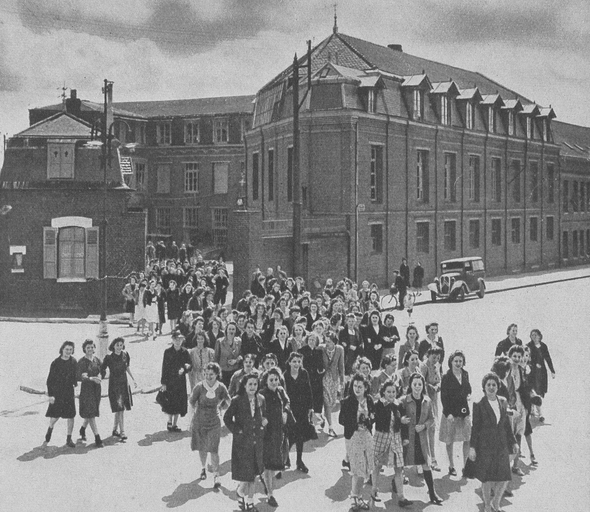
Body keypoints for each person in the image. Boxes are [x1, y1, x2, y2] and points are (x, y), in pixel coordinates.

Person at [469, 372, 518, 512]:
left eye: (494, 385)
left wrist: (513, 442)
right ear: (484, 387)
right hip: (485, 446)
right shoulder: (478, 404)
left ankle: (495, 503)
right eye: (488, 385)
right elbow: (475, 428)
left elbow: (507, 425)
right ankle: (486, 506)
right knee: (487, 478)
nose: (491, 387)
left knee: (504, 476)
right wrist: (472, 447)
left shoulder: (503, 401)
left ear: (498, 387)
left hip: (502, 444)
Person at [223, 373, 268, 512]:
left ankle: (245, 496)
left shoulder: (261, 399)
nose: (253, 387)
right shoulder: (237, 400)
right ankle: (248, 502)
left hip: (257, 442)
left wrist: (263, 424)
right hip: (243, 443)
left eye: (255, 384)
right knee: (248, 474)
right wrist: (238, 431)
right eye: (250, 384)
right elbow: (227, 418)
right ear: (244, 385)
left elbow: (263, 416)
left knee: (253, 474)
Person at [402, 373, 443, 505]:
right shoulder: (404, 400)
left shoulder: (427, 401)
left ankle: (432, 493)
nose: (417, 387)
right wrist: (402, 420)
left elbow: (432, 418)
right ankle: (395, 486)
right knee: (401, 464)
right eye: (415, 384)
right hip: (407, 438)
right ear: (410, 385)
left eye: (420, 384)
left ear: (423, 385)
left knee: (426, 464)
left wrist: (424, 425)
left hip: (421, 438)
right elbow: (397, 416)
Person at [189, 362, 230, 488]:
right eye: (206, 374)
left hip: (214, 422)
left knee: (214, 449)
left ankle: (216, 475)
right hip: (200, 421)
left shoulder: (221, 387)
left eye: (211, 374)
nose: (208, 376)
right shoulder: (199, 387)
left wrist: (221, 408)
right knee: (202, 447)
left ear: (217, 374)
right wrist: (191, 420)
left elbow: (228, 401)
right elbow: (191, 403)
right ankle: (203, 468)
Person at [339, 373, 376, 511]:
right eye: (355, 386)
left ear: (366, 387)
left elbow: (374, 416)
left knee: (366, 468)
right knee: (357, 469)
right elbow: (341, 420)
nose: (357, 389)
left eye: (360, 386)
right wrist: (354, 423)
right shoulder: (348, 401)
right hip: (353, 436)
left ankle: (359, 496)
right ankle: (355, 498)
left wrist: (369, 420)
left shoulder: (369, 400)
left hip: (366, 436)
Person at [370, 379, 410, 507]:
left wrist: (405, 436)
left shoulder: (398, 405)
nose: (391, 394)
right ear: (383, 392)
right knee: (377, 465)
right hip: (381, 437)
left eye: (393, 392)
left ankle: (401, 497)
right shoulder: (379, 404)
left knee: (398, 468)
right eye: (389, 392)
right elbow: (374, 419)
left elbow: (403, 422)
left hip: (395, 437)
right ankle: (374, 490)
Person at [260, 368, 291, 508]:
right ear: (266, 381)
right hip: (267, 434)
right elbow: (254, 409)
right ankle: (270, 494)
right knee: (268, 465)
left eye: (276, 379)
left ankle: (266, 481)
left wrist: (285, 411)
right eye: (271, 380)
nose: (274, 382)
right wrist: (262, 418)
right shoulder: (261, 394)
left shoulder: (280, 391)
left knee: (280, 463)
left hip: (279, 432)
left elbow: (287, 402)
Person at [440, 350, 472, 477]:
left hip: (463, 411)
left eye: (460, 361)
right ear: (451, 362)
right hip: (451, 412)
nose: (458, 363)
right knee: (450, 439)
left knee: (467, 438)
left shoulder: (465, 374)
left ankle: (465, 465)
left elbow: (468, 389)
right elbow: (443, 396)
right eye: (456, 361)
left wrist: (468, 394)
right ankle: (451, 465)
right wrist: (448, 413)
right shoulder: (446, 377)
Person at [283, 352, 316, 473]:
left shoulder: (304, 373)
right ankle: (285, 457)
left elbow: (309, 390)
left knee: (300, 436)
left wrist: (311, 408)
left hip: (302, 409)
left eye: (299, 361)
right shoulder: (285, 375)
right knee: (290, 435)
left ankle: (299, 460)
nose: (297, 364)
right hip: (290, 409)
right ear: (290, 362)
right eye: (294, 361)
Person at [101, 337, 137, 441]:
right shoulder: (109, 357)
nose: (119, 347)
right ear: (113, 346)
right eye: (117, 345)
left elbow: (127, 367)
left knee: (120, 408)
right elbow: (102, 369)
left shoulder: (125, 355)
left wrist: (133, 379)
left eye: (121, 345)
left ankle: (114, 429)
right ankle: (122, 432)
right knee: (120, 408)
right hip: (114, 385)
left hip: (124, 384)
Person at [44, 341, 78, 447]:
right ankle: (50, 428)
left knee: (71, 416)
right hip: (57, 392)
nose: (68, 352)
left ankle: (69, 438)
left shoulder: (73, 361)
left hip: (69, 392)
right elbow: (50, 381)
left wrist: (76, 386)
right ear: (62, 349)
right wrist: (51, 395)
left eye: (70, 350)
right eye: (66, 349)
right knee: (55, 416)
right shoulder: (55, 363)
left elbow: (75, 377)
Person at [160, 332, 192, 431]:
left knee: (179, 401)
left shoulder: (185, 352)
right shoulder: (167, 351)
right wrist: (163, 383)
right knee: (170, 401)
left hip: (180, 381)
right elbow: (164, 367)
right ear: (172, 340)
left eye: (180, 340)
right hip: (170, 380)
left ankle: (175, 424)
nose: (178, 342)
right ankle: (169, 421)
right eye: (176, 339)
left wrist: (185, 368)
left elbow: (189, 364)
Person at [419, 346, 443, 471]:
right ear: (428, 355)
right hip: (425, 402)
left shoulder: (437, 366)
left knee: (432, 429)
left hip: (434, 400)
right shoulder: (424, 366)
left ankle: (433, 458)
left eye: (438, 358)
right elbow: (420, 382)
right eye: (434, 357)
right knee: (425, 429)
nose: (435, 360)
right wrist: (429, 386)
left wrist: (438, 386)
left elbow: (439, 380)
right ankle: (426, 459)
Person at [77, 339, 104, 448]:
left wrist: (100, 377)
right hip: (87, 390)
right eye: (88, 347)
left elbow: (102, 371)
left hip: (96, 389)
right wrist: (92, 378)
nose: (90, 349)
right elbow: (80, 376)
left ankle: (82, 429)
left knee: (91, 412)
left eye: (92, 347)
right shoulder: (81, 362)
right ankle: (97, 438)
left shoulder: (97, 360)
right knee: (91, 413)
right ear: (84, 349)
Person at [526, 328, 555, 422]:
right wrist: (534, 365)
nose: (534, 337)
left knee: (539, 391)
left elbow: (548, 358)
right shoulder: (528, 346)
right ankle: (537, 413)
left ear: (539, 336)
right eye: (532, 335)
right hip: (531, 373)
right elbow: (526, 358)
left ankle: (536, 411)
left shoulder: (543, 346)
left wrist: (552, 370)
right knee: (533, 392)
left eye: (535, 335)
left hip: (541, 373)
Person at [320, 332, 345, 437]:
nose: (327, 343)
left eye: (329, 342)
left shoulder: (339, 349)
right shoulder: (321, 348)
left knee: (332, 402)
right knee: (326, 400)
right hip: (324, 377)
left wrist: (342, 380)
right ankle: (331, 426)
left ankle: (323, 416)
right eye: (326, 341)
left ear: (334, 341)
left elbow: (341, 365)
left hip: (334, 378)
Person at [300, 332, 325, 429]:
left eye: (313, 340)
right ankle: (308, 420)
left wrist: (321, 373)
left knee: (317, 399)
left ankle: (319, 418)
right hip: (306, 378)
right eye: (310, 339)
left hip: (316, 379)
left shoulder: (318, 352)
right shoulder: (301, 351)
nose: (311, 341)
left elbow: (321, 366)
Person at [214, 322, 243, 387]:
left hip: (235, 371)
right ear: (226, 330)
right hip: (223, 371)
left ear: (235, 331)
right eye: (229, 329)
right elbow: (216, 358)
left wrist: (236, 361)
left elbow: (241, 355)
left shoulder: (239, 341)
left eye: (233, 329)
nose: (231, 331)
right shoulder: (220, 341)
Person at [339, 312, 363, 376]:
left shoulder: (357, 331)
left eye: (352, 321)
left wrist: (357, 349)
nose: (351, 323)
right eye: (349, 321)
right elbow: (342, 343)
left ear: (355, 322)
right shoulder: (343, 331)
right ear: (346, 321)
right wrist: (349, 346)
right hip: (346, 354)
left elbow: (360, 342)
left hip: (355, 354)